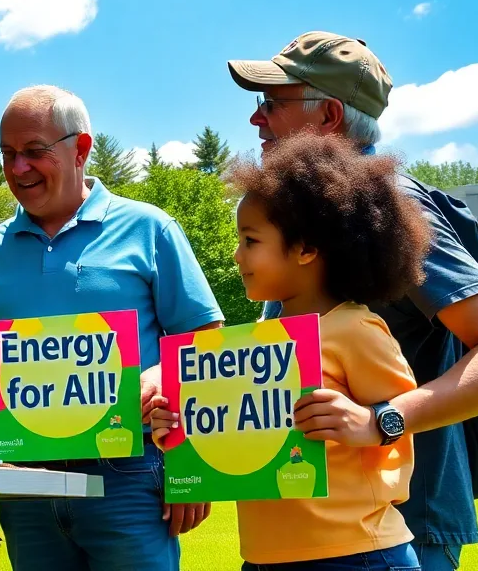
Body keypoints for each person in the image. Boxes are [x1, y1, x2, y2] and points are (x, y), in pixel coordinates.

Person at [228, 31, 478, 570]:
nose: (257, 119)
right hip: (304, 535)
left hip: (399, 534)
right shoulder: (296, 213)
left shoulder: (391, 204)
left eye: (272, 103)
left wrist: (382, 421)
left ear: (327, 116)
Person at [0, 85, 224, 570]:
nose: (18, 169)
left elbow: (204, 343)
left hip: (130, 475)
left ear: (80, 149)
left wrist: (192, 468)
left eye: (35, 152)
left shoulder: (150, 229)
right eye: (8, 154)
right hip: (23, 480)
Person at [152, 133, 425, 569]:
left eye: (250, 240)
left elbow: (403, 425)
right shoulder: (255, 343)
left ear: (307, 248)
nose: (237, 254)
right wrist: (179, 433)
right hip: (263, 558)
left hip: (359, 555)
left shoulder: (356, 328)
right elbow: (236, 448)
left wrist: (372, 422)